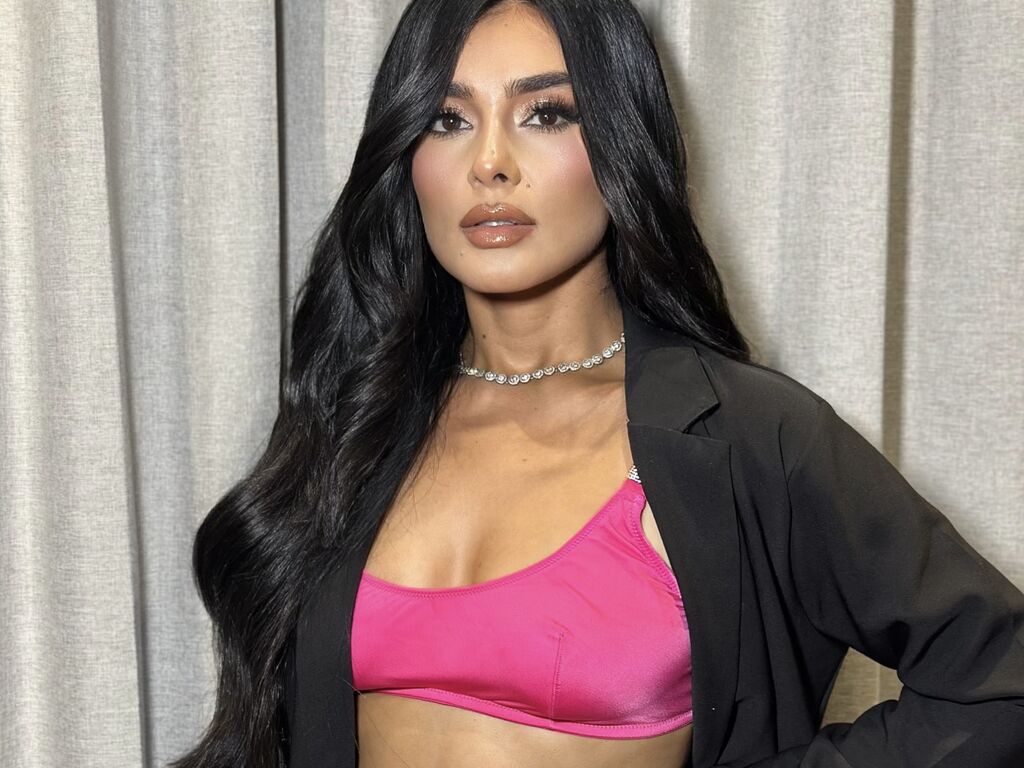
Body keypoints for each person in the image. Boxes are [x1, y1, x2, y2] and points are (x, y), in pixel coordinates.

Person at [170, 1, 1024, 767]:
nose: (490, 162)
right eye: (446, 120)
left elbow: (1001, 681)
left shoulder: (744, 435)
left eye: (546, 113)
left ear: (620, 140)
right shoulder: (357, 421)